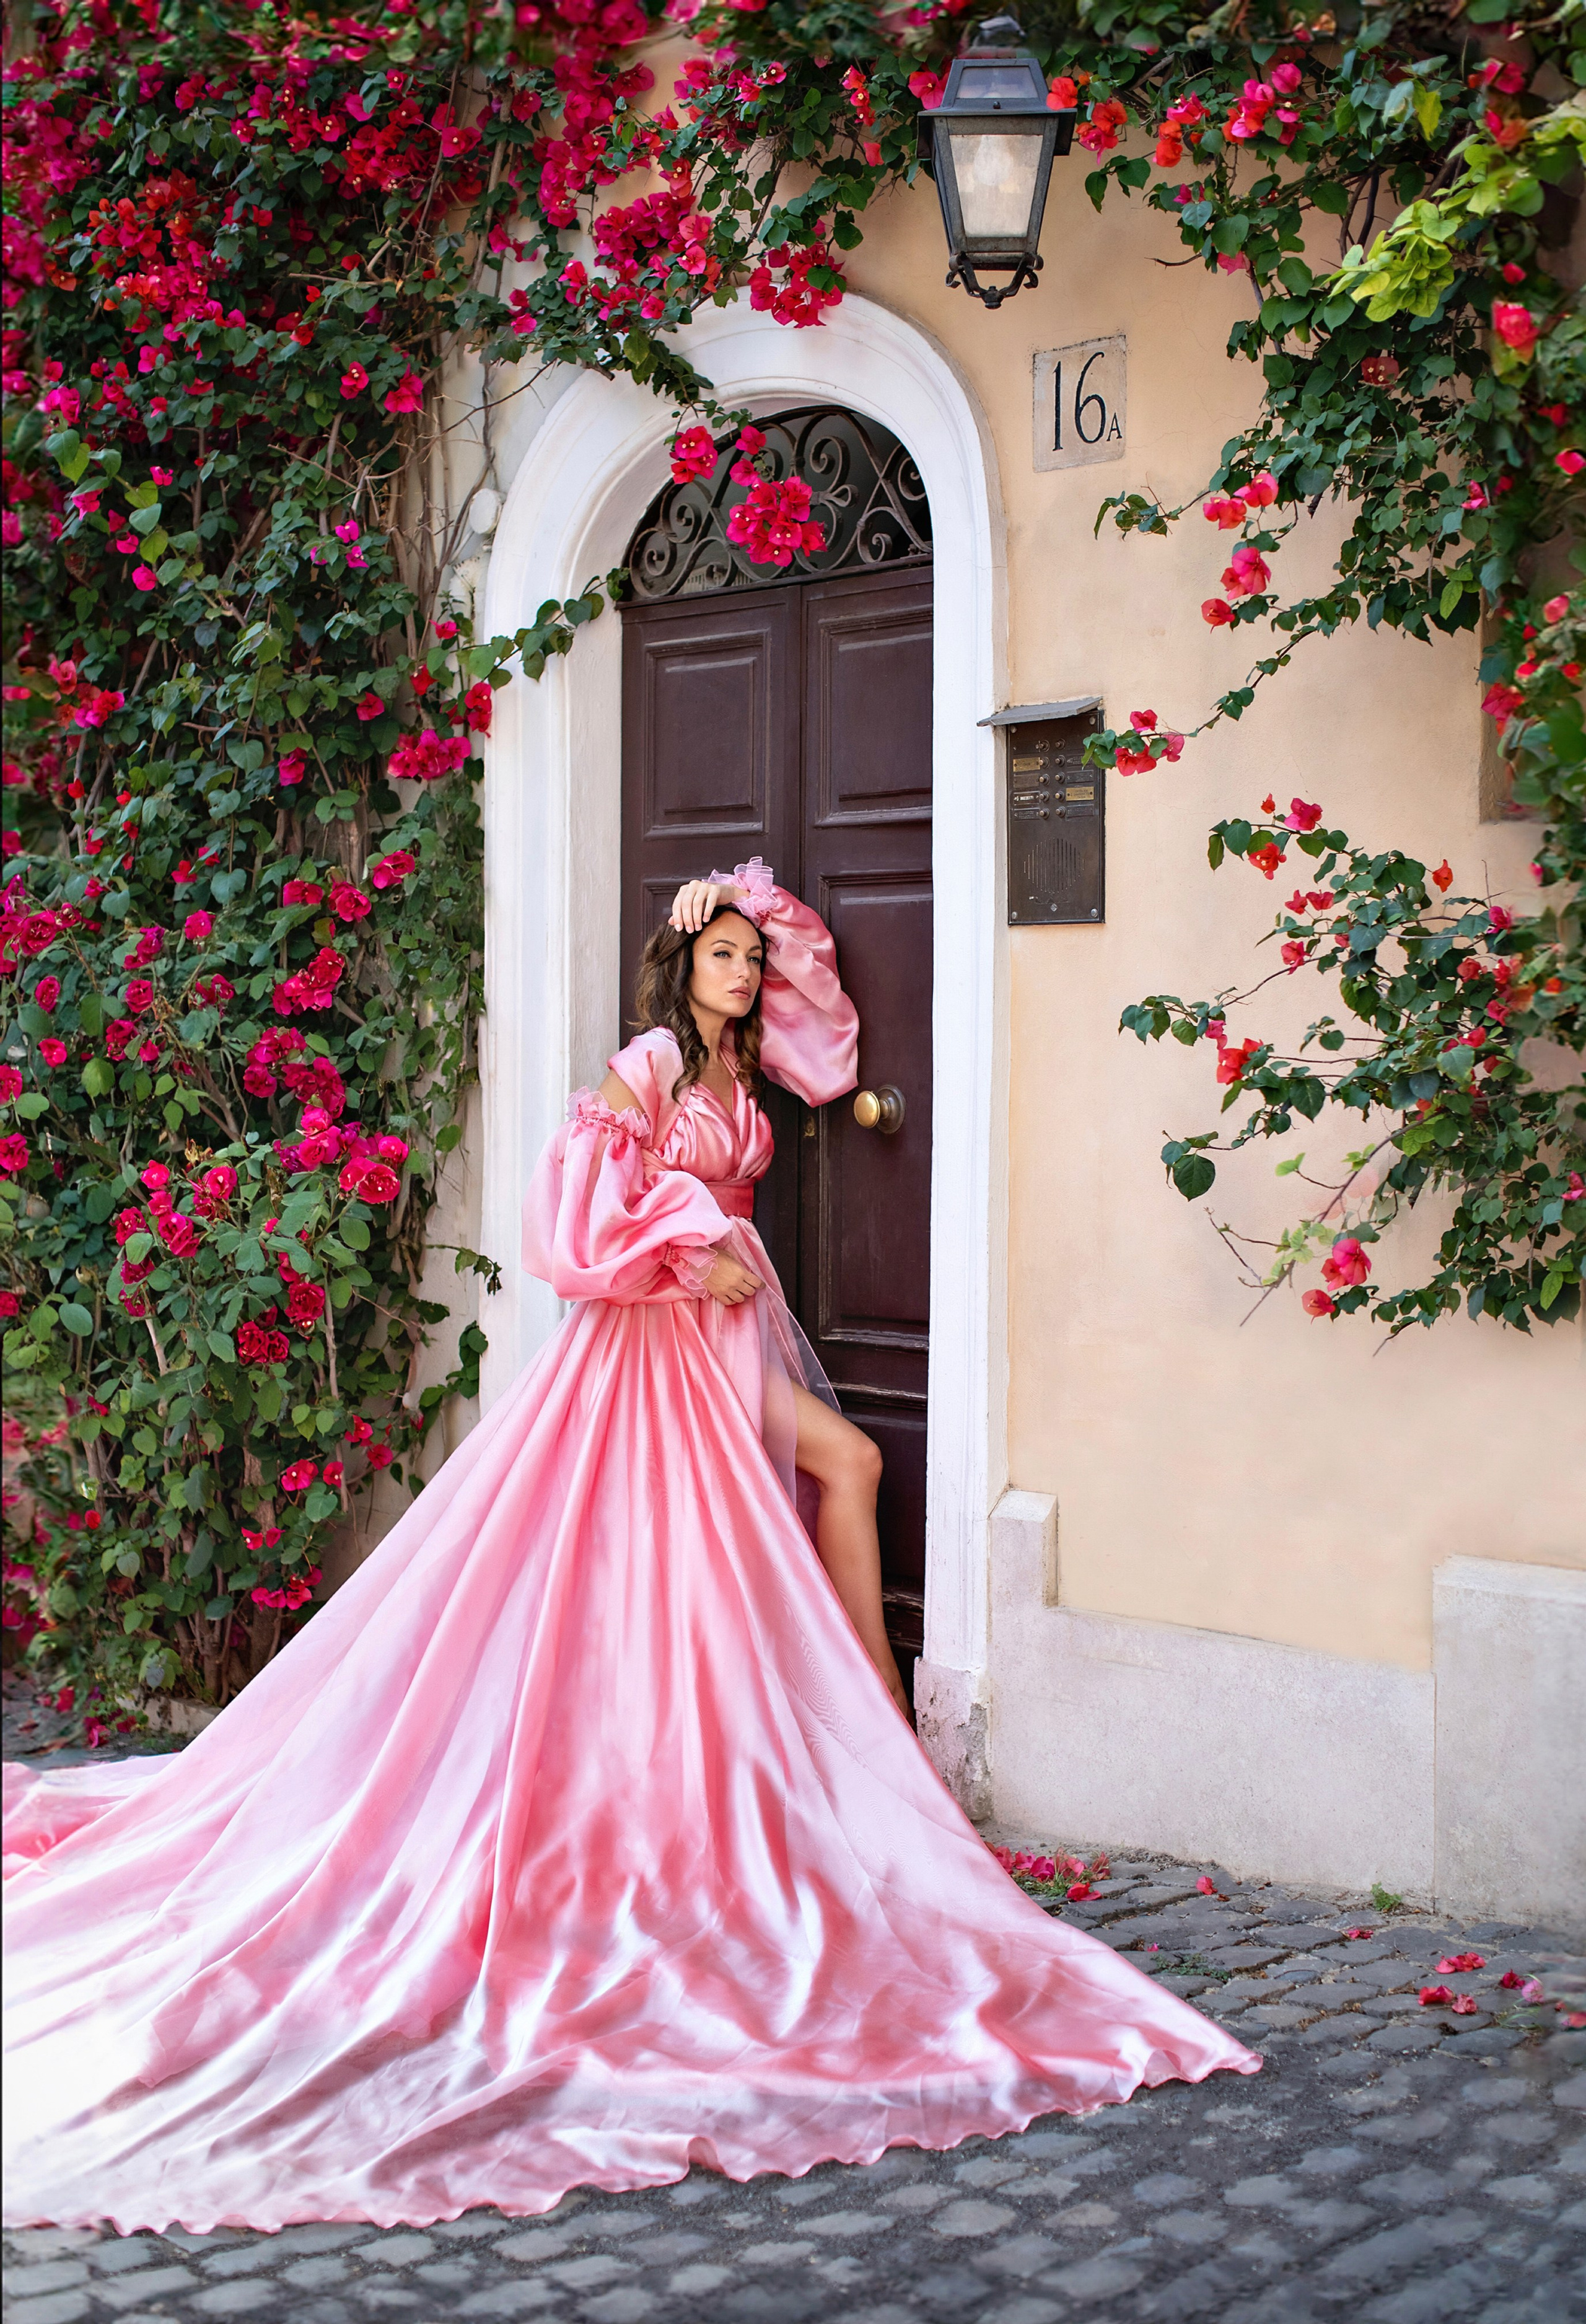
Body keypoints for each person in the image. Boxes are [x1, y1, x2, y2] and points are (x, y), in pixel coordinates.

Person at [2, 859, 1257, 2238]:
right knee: (727, 1531)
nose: (742, 974)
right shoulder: (652, 1058)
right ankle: (869, 1732)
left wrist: (764, 932)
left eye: (748, 960)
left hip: (719, 1344)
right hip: (651, 1355)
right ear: (680, 967)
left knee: (835, 1470)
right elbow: (568, 1223)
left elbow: (819, 1015)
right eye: (722, 954)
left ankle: (870, 1729)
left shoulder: (745, 1071)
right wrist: (683, 1243)